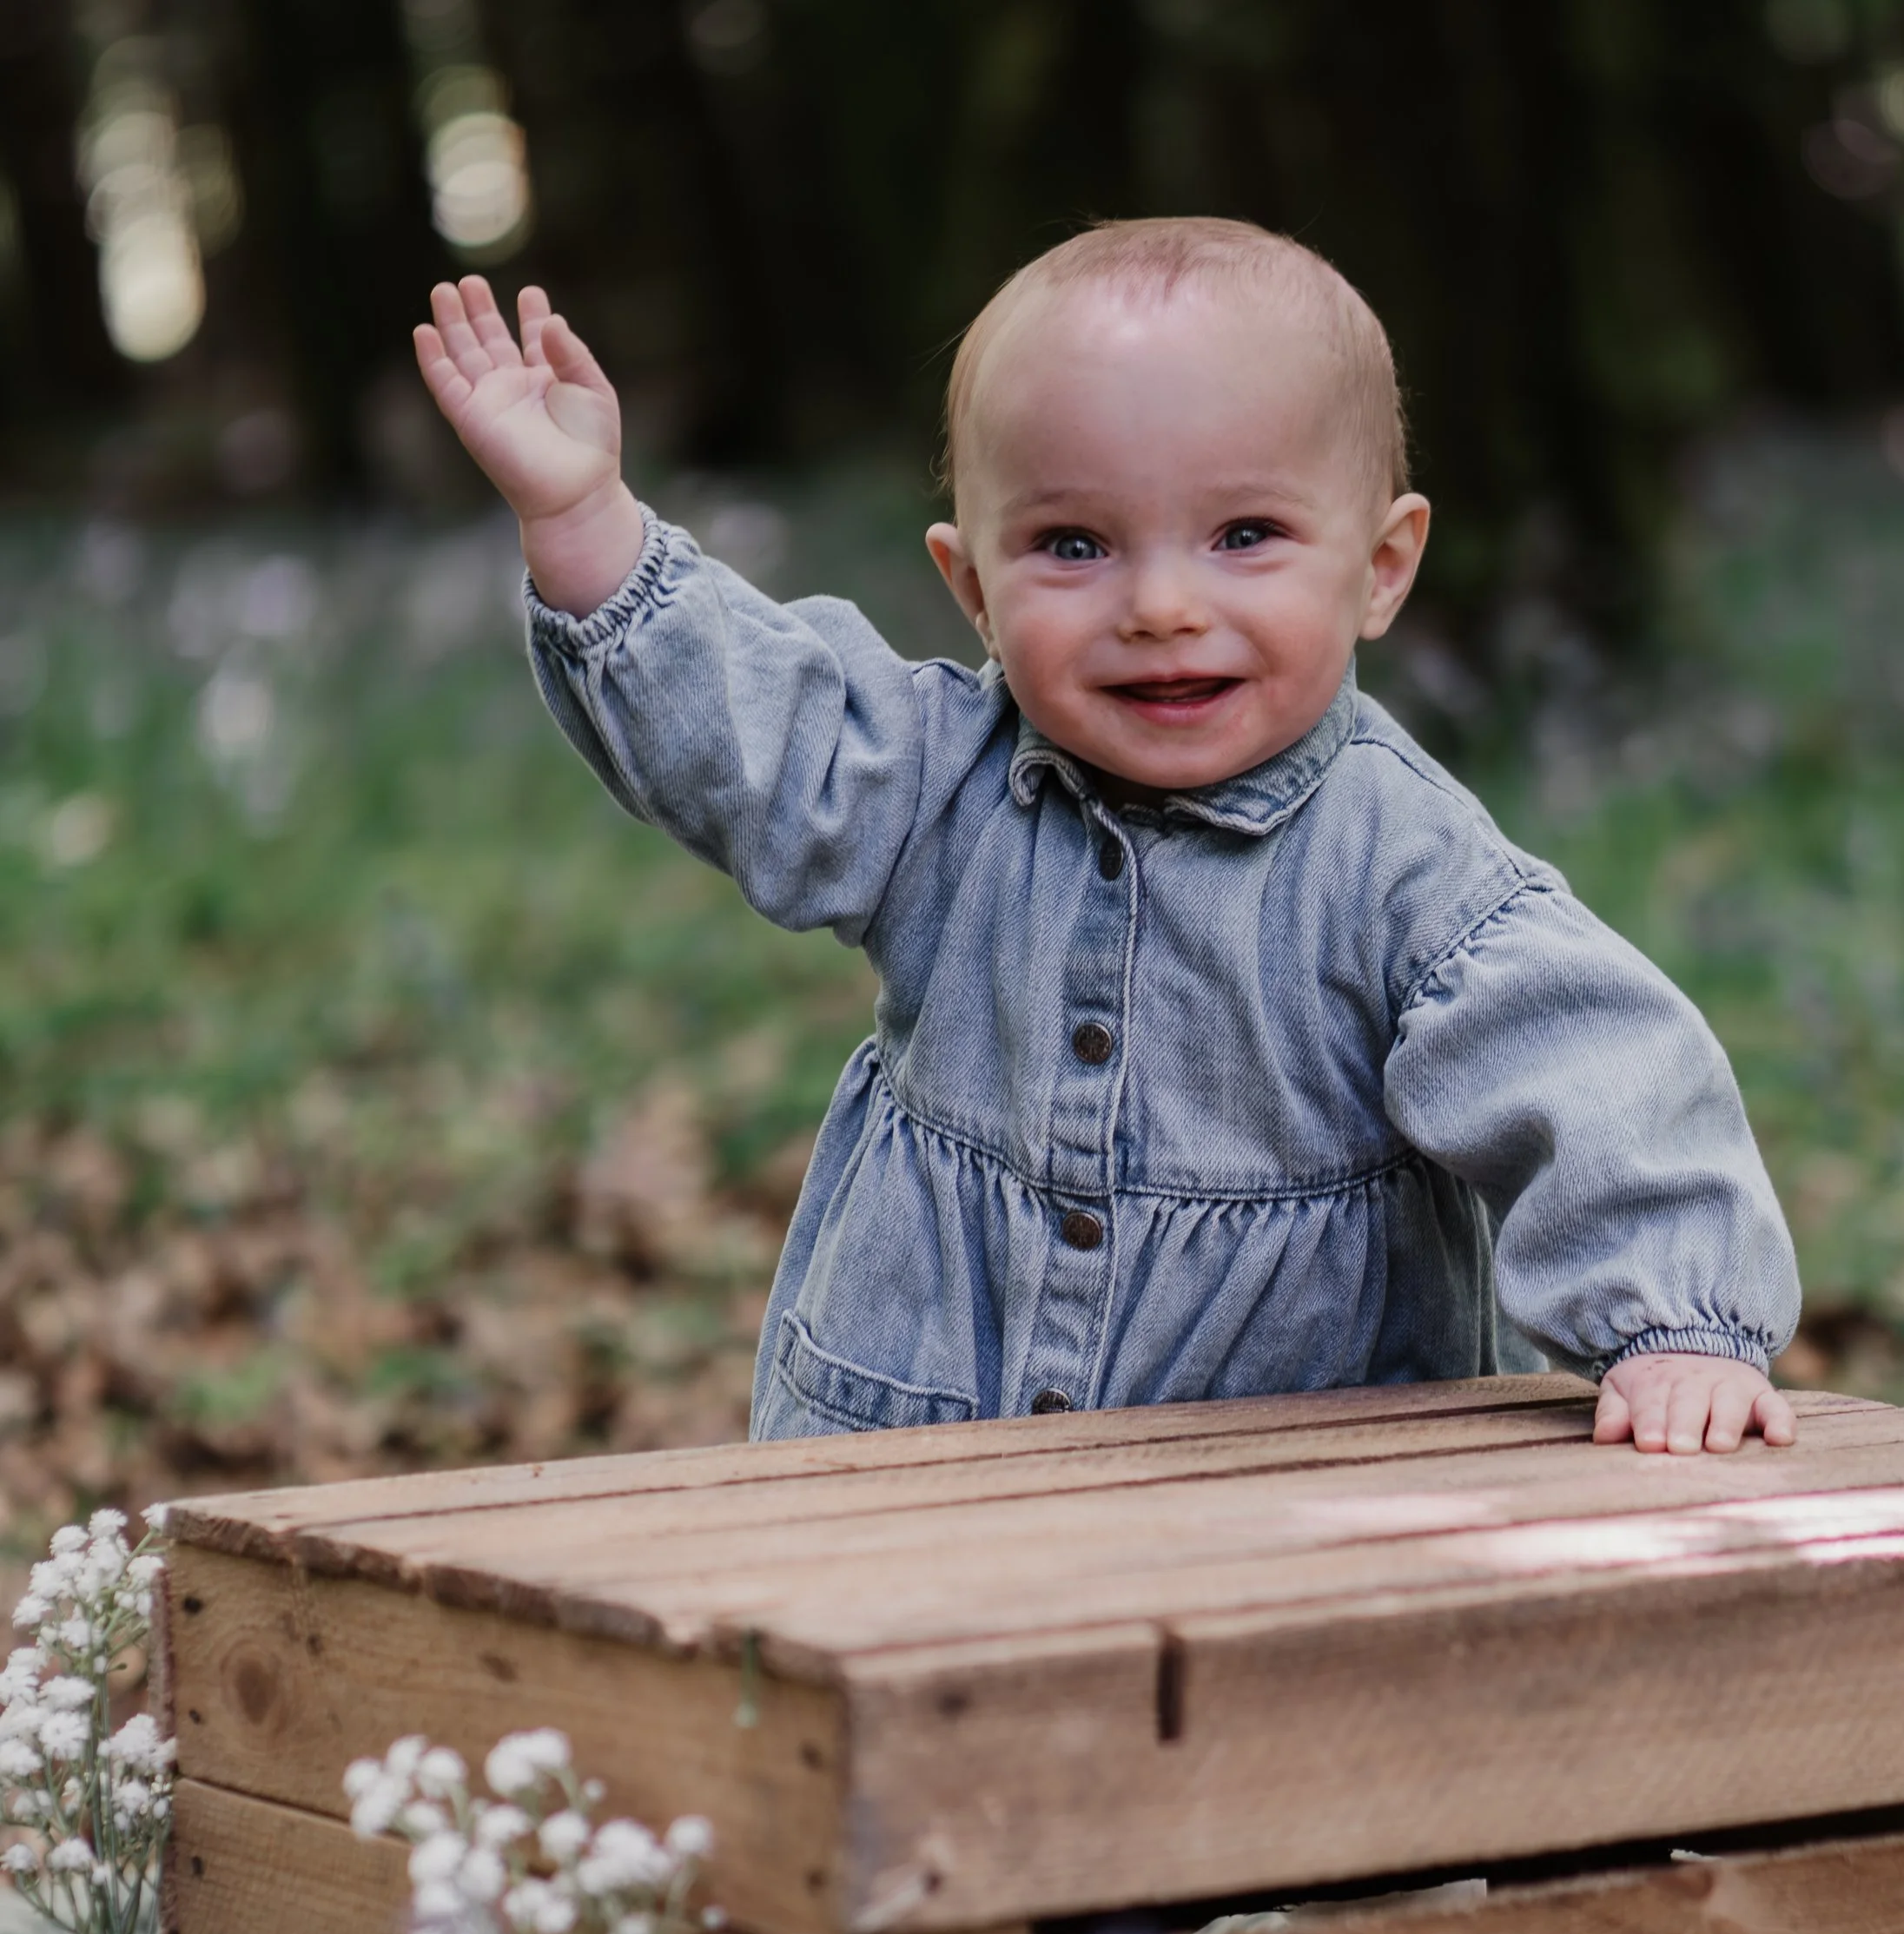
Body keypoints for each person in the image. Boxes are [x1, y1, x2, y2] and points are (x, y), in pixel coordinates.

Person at [413, 218, 1801, 1454]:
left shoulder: (1404, 869)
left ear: (1381, 566)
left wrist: (1673, 1318)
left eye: (1245, 533)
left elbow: (1598, 1062)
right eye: (1075, 546)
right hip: (906, 1452)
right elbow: (747, 734)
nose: (1159, 606)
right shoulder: (932, 778)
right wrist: (582, 517)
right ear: (969, 583)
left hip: (1283, 1484)